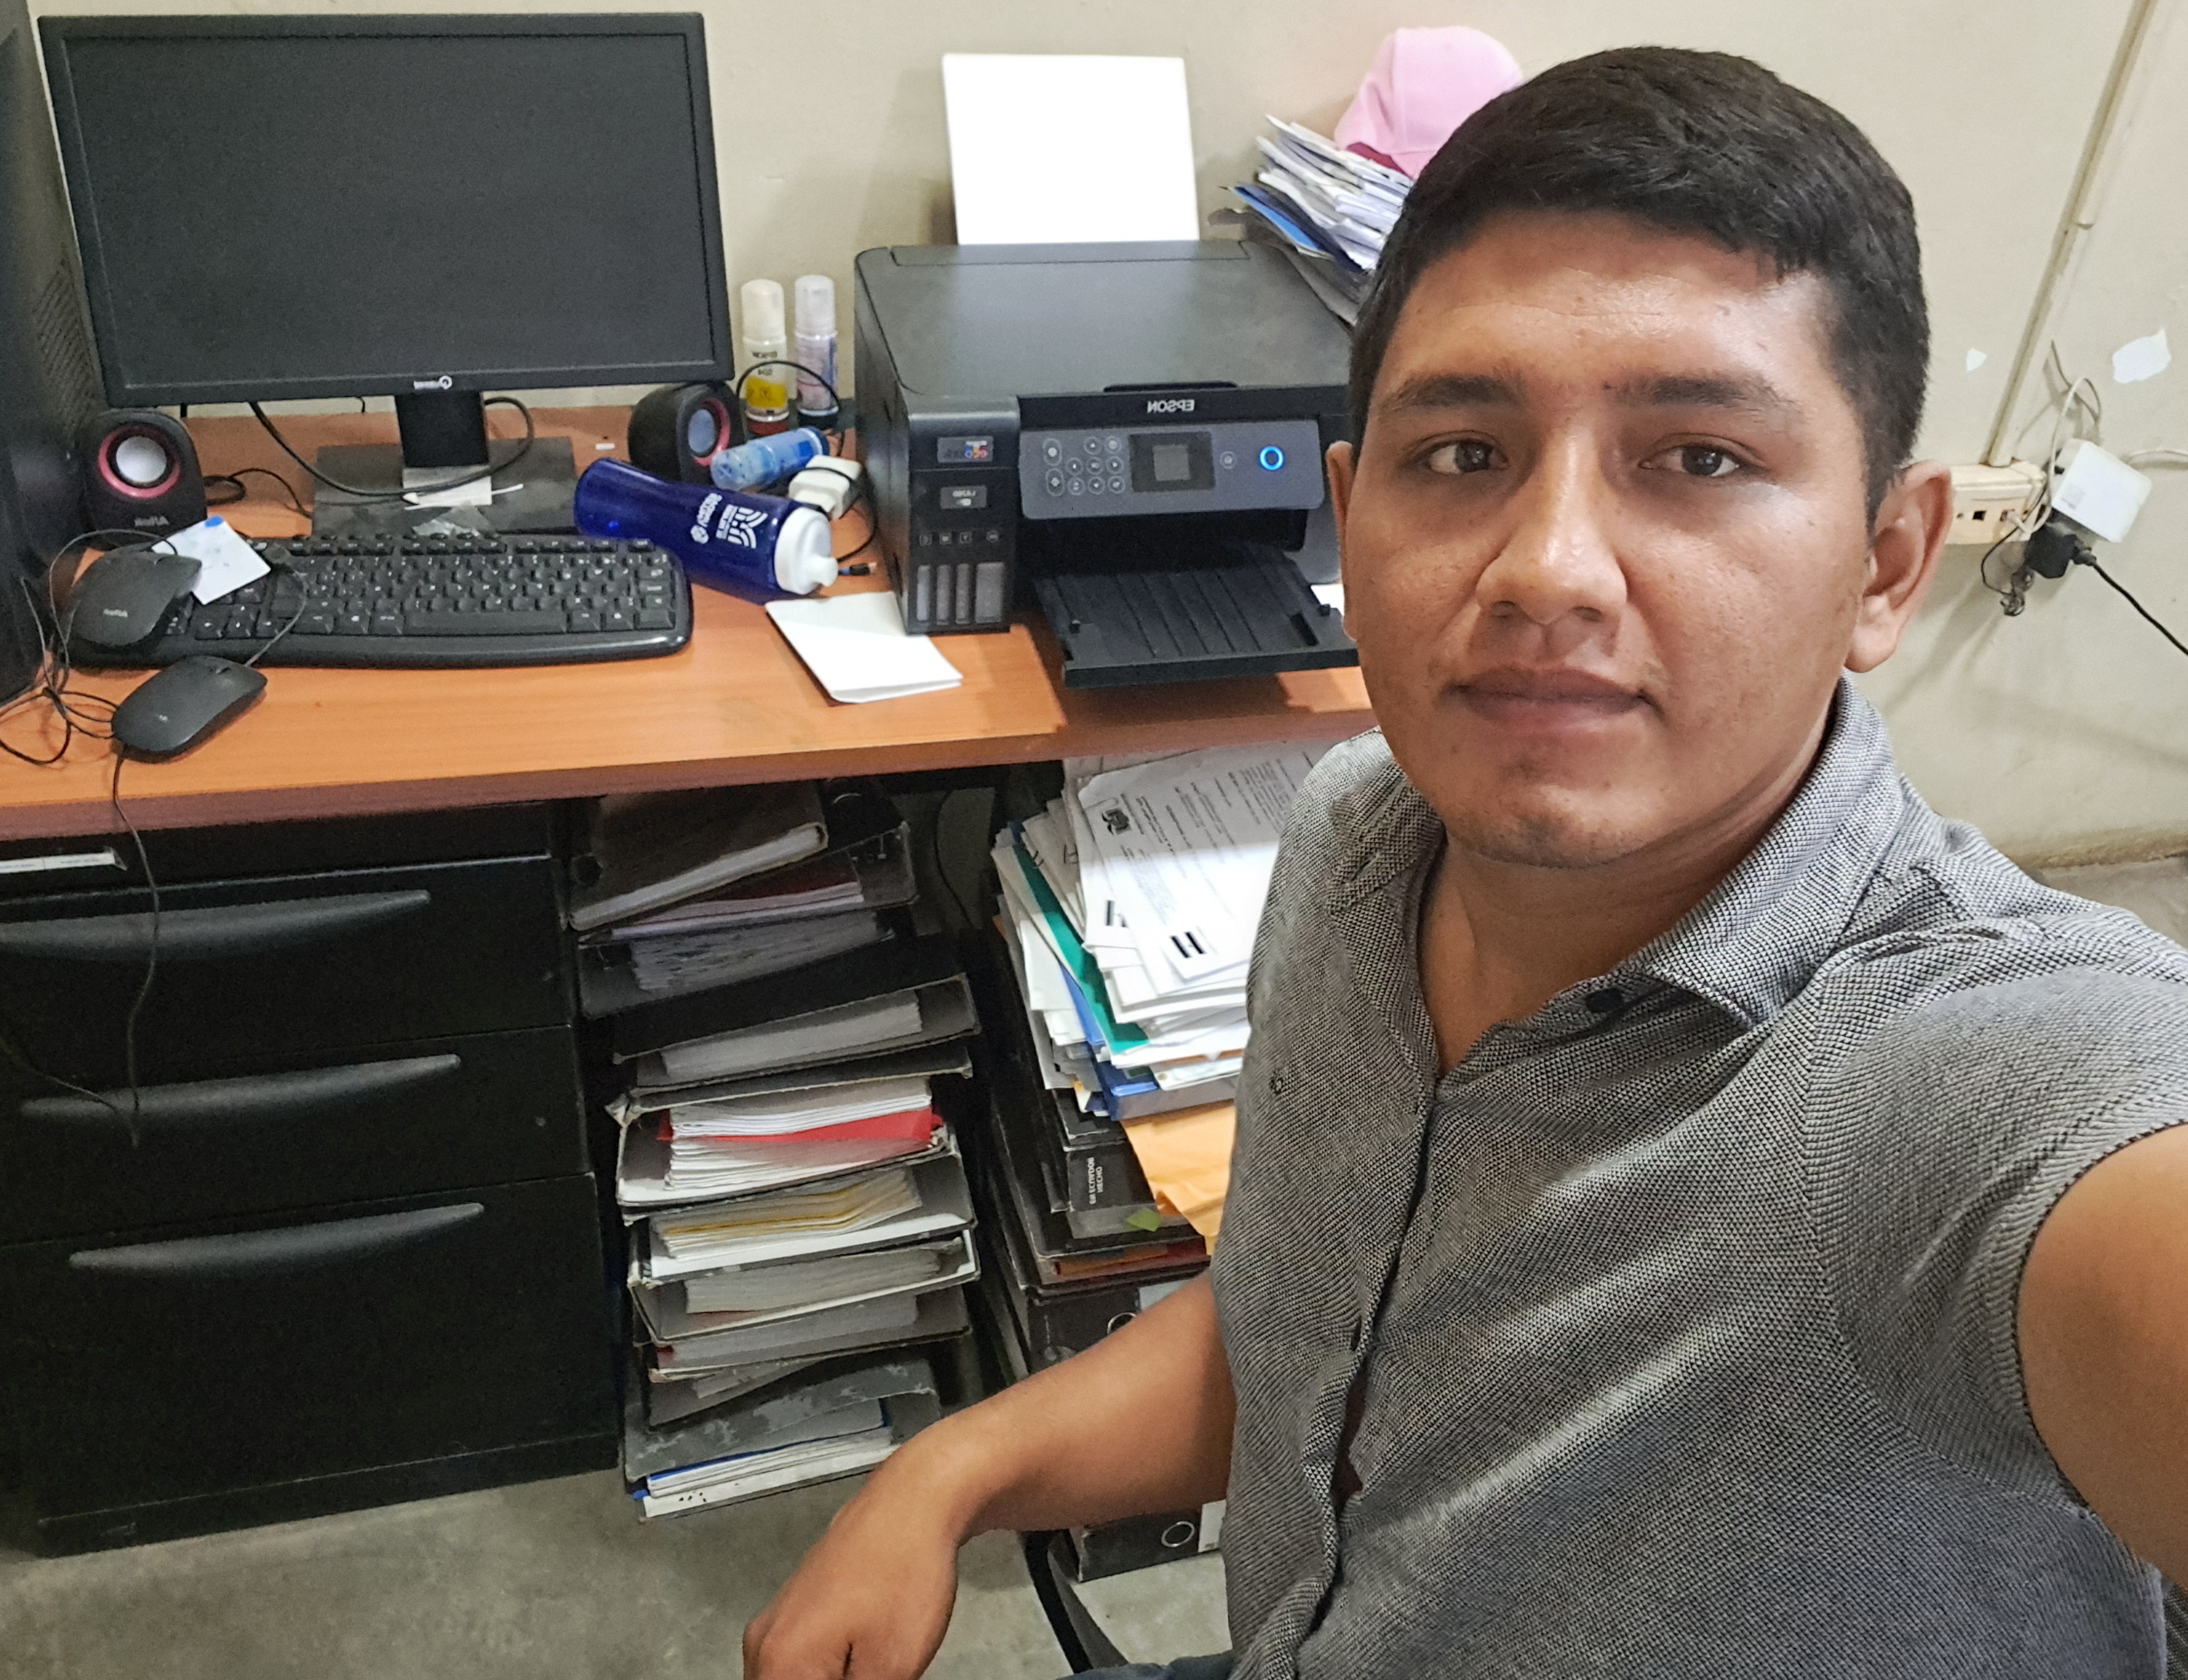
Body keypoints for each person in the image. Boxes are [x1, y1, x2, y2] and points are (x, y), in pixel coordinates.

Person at [745, 46, 2188, 1680]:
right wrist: (945, 1475)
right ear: (1347, 512)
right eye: (1462, 454)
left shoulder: (1968, 1082)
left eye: (1700, 457)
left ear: (1889, 562)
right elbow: (1304, 1340)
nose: (1548, 568)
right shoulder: (1354, 836)